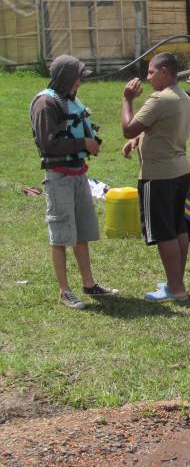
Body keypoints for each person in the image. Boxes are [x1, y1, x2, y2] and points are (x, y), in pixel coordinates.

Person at [30, 55, 117, 309]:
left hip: (78, 174)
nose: (80, 82)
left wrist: (91, 144)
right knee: (60, 235)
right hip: (59, 178)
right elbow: (48, 143)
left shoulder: (69, 99)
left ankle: (89, 284)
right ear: (66, 77)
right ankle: (64, 291)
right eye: (78, 77)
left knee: (81, 232)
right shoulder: (46, 103)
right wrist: (83, 144)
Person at [121, 53, 190, 301]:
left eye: (151, 72)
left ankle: (176, 288)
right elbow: (162, 128)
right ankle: (176, 282)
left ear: (164, 72)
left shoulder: (160, 99)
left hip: (158, 176)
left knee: (164, 233)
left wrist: (127, 100)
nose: (147, 77)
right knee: (178, 228)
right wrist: (137, 140)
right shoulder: (182, 96)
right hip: (180, 171)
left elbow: (127, 127)